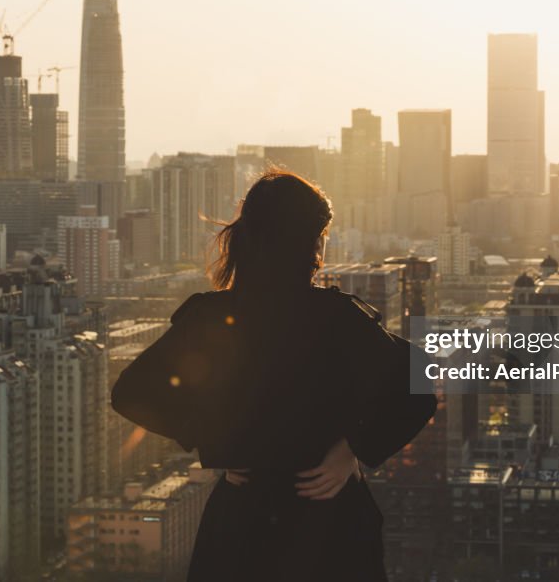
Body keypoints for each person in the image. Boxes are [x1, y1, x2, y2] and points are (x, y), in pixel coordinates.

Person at [111, 169, 437, 582]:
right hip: (328, 524)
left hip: (243, 523)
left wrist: (218, 442)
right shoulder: (337, 318)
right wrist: (352, 448)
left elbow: (132, 392)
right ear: (311, 241)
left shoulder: (211, 318)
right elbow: (421, 378)